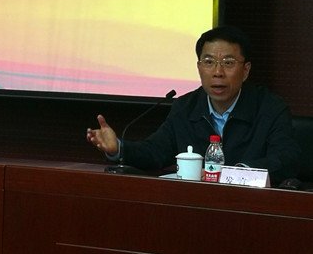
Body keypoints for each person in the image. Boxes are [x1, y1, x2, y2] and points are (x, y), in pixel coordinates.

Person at [86, 25, 300, 184]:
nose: (218, 72)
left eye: (228, 63)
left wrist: (234, 174)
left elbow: (286, 160)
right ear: (199, 68)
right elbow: (156, 151)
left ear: (245, 70)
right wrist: (119, 148)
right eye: (209, 62)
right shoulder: (185, 107)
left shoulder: (270, 108)